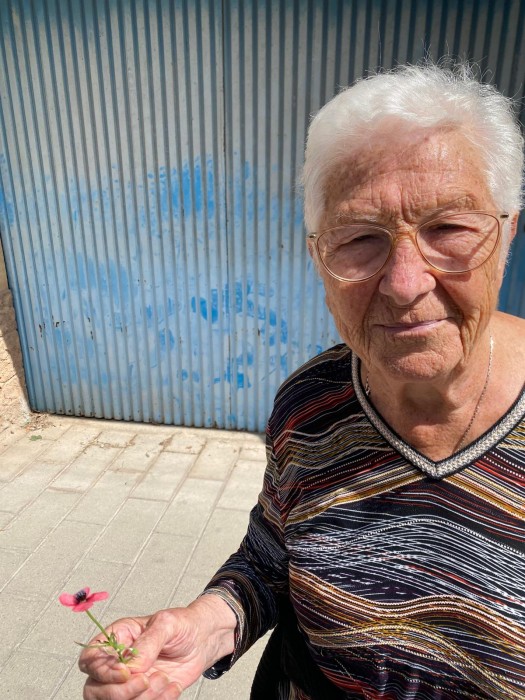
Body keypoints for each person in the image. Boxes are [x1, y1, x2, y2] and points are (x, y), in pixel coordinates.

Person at [80, 61, 525, 699]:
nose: (404, 283)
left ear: (507, 232)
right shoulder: (312, 402)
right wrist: (207, 626)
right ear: (318, 256)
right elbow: (274, 554)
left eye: (448, 228)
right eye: (360, 239)